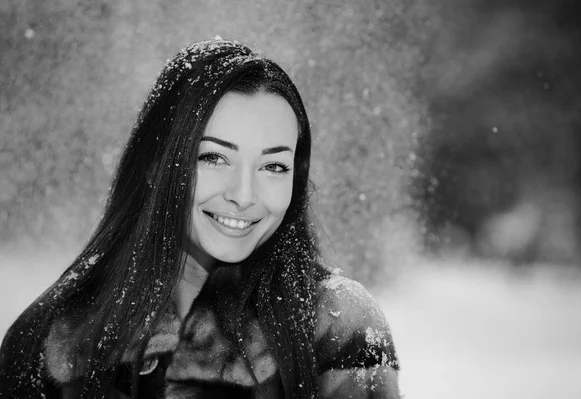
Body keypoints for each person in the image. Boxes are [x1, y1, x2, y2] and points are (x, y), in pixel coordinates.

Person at [0, 38, 400, 398]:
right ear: (157, 166)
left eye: (274, 167)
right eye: (214, 157)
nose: (243, 196)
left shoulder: (336, 325)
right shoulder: (55, 338)